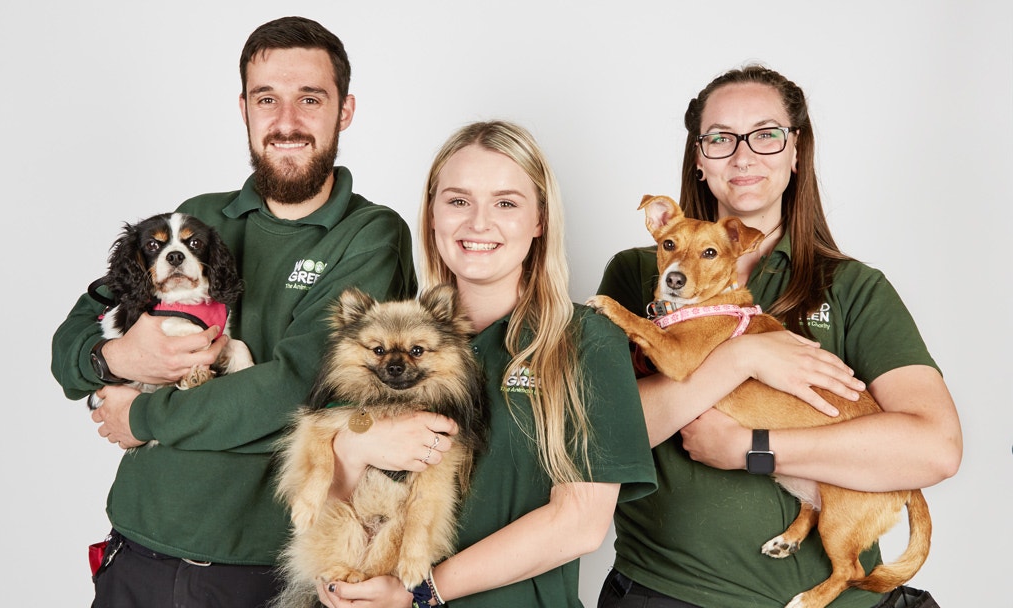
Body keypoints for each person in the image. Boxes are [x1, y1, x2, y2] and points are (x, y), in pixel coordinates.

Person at [50, 16, 417, 608]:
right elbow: (74, 340)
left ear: (344, 110)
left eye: (310, 99)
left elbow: (300, 391)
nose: (287, 123)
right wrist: (115, 355)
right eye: (267, 99)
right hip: (134, 548)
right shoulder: (196, 221)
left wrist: (143, 418)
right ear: (243, 107)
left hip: (258, 569)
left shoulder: (369, 237)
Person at [595, 65, 962, 607]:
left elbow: (936, 449)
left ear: (797, 151)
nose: (743, 156)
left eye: (766, 135)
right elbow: (605, 437)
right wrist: (743, 356)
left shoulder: (854, 287)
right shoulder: (640, 274)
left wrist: (754, 450)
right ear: (698, 158)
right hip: (670, 593)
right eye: (720, 138)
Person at [314, 120, 658, 607]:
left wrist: (421, 594)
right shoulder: (380, 345)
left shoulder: (586, 339)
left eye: (506, 203)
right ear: (432, 215)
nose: (478, 223)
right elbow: (330, 501)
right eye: (457, 201)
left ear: (540, 220)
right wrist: (337, 578)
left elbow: (580, 524)